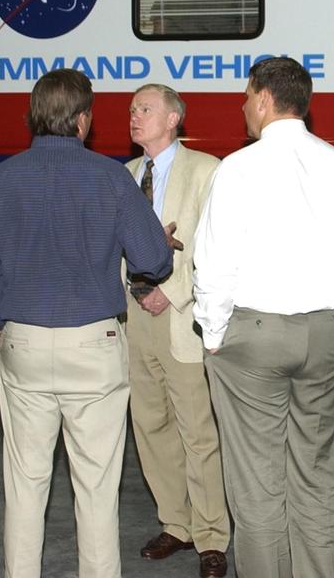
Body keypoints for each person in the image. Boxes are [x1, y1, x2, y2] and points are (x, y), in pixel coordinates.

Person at [0, 68, 172, 578]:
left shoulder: (1, 178)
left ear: (32, 117)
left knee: (25, 485)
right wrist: (157, 243)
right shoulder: (111, 177)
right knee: (97, 490)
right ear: (83, 121)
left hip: (24, 344)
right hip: (94, 345)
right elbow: (153, 260)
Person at [193, 57, 334, 578]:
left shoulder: (237, 168)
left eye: (247, 96)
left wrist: (212, 332)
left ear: (265, 99)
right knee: (318, 478)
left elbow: (214, 264)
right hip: (330, 332)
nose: (243, 105)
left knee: (257, 485)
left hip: (254, 337)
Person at [123, 84, 229, 578]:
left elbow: (215, 248)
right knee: (149, 427)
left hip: (181, 317)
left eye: (145, 109)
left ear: (173, 119)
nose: (134, 116)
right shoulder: (124, 176)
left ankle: (212, 535)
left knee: (197, 433)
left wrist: (173, 291)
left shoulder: (206, 170)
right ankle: (175, 523)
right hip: (135, 318)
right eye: (131, 110)